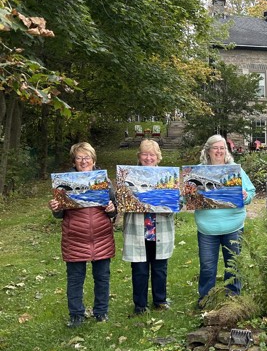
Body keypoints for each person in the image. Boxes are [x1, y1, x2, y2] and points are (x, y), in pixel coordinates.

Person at [49, 142, 117, 327]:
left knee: (102, 277)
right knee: (75, 279)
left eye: (87, 157)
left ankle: (101, 312)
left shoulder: (105, 182)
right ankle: (76, 314)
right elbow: (59, 214)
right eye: (79, 158)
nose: (83, 161)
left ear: (94, 160)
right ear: (74, 161)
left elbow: (114, 211)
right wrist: (55, 208)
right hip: (75, 238)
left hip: (101, 236)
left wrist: (112, 209)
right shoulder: (65, 184)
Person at [195, 134, 256, 306]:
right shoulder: (198, 171)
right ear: (208, 151)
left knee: (233, 264)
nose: (219, 151)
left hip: (233, 226)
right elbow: (188, 196)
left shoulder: (235, 170)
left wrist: (245, 196)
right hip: (207, 227)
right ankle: (206, 298)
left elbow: (251, 192)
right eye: (215, 148)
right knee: (207, 266)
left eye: (222, 148)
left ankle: (233, 298)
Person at [122, 140, 174, 314]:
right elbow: (122, 203)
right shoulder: (128, 176)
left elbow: (175, 205)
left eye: (152, 154)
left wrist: (172, 203)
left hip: (159, 229)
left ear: (158, 157)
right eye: (145, 154)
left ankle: (160, 300)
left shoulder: (168, 177)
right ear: (139, 156)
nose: (148, 157)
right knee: (139, 269)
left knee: (160, 268)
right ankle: (140, 305)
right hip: (137, 230)